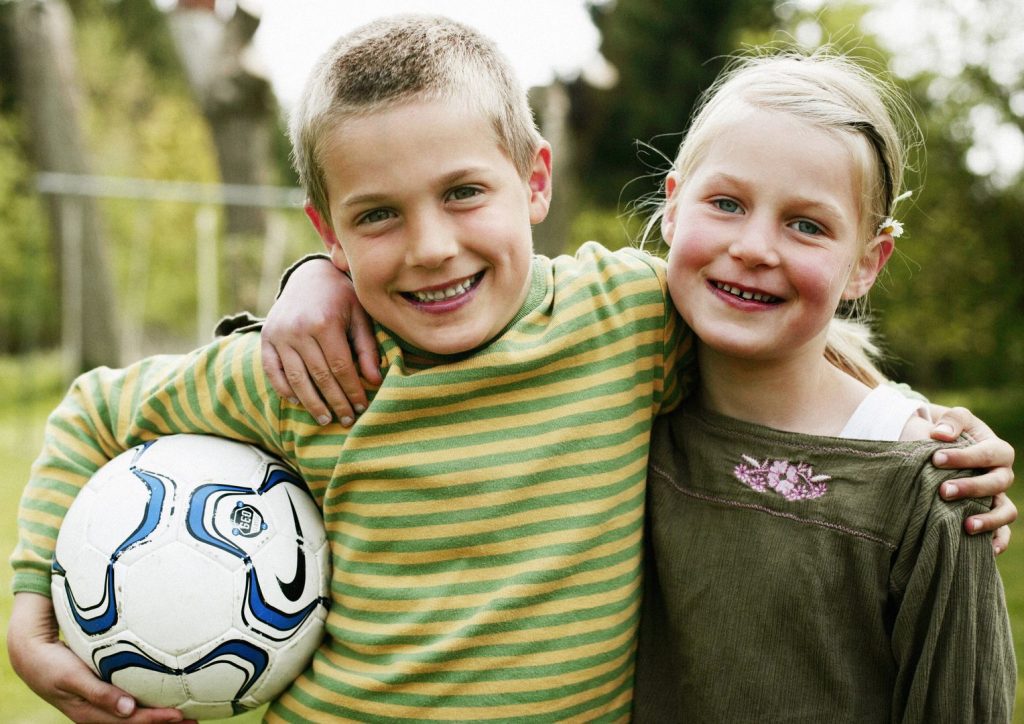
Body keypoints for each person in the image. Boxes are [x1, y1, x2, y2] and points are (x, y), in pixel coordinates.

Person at [6, 16, 1013, 723]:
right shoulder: (308, 366)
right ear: (327, 229)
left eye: (462, 193)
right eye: (375, 217)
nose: (432, 246)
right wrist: (27, 612)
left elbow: (773, 321)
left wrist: (921, 428)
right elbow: (94, 411)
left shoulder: (619, 318)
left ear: (533, 180)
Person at [630, 50, 1015, 720]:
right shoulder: (619, 402)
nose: (754, 246)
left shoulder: (926, 486)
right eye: (726, 203)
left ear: (867, 264)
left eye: (807, 225)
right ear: (672, 208)